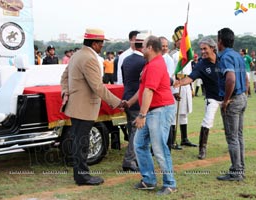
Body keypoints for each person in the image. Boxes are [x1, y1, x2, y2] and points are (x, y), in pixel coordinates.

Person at [60, 28, 124, 186]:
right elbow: (98, 87)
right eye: (101, 43)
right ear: (94, 43)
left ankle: (79, 174)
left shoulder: (76, 55)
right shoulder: (89, 58)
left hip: (76, 107)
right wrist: (118, 102)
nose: (102, 46)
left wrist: (66, 93)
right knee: (82, 143)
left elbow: (64, 77)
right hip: (84, 108)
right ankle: (82, 176)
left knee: (78, 141)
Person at [127, 36, 177, 195]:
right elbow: (143, 89)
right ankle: (149, 180)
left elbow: (149, 91)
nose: (141, 48)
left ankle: (170, 183)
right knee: (139, 144)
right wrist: (130, 102)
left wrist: (141, 115)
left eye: (143, 46)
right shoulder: (150, 64)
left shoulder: (155, 65)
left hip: (160, 110)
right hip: (153, 110)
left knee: (159, 147)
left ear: (150, 47)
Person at [174, 37, 221, 159]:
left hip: (227, 97)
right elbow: (191, 77)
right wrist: (180, 82)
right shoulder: (201, 64)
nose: (203, 51)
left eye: (205, 49)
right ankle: (202, 149)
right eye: (201, 49)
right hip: (212, 98)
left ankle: (233, 145)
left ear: (212, 48)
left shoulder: (223, 59)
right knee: (207, 121)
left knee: (230, 124)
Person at [216, 28, 247, 181]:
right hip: (242, 97)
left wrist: (226, 100)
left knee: (232, 138)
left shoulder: (226, 57)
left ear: (220, 41)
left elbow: (230, 79)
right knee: (239, 136)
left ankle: (236, 171)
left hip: (233, 100)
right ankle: (240, 169)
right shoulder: (237, 55)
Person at [121, 34, 147, 172]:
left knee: (132, 130)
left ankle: (133, 158)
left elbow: (125, 80)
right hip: (137, 100)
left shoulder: (126, 60)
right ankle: (129, 160)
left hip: (126, 97)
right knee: (136, 132)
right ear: (143, 47)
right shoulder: (144, 62)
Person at [171, 26, 197, 149]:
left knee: (184, 113)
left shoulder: (188, 54)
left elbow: (190, 72)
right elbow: (172, 74)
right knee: (175, 113)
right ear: (175, 41)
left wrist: (191, 87)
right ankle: (172, 140)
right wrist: (174, 90)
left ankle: (184, 138)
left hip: (186, 84)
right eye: (180, 39)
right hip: (177, 84)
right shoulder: (174, 55)